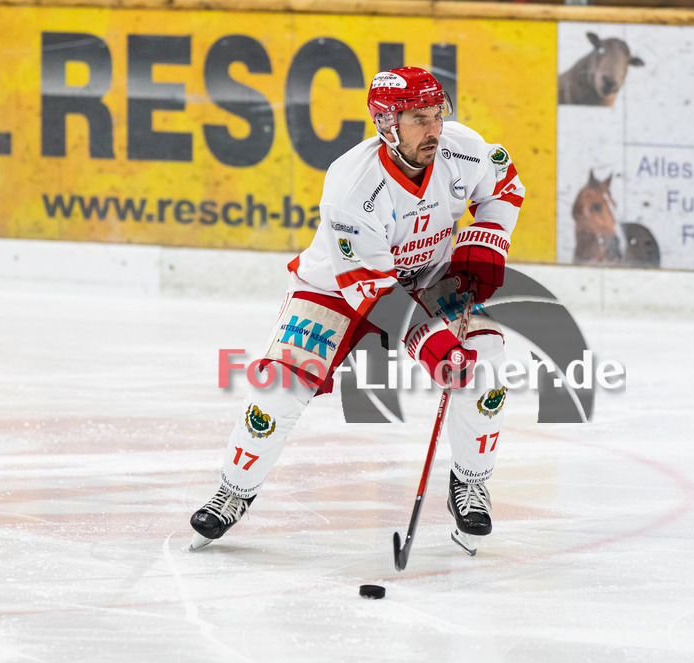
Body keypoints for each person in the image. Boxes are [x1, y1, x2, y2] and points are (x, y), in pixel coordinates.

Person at [189, 66, 525, 556]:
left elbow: (504, 186)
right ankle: (233, 490)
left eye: (437, 115)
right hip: (336, 289)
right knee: (282, 383)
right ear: (386, 124)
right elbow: (377, 298)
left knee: (484, 361)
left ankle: (470, 483)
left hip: (427, 276)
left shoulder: (464, 149)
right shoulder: (352, 186)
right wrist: (434, 348)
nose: (433, 129)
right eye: (417, 119)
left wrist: (484, 243)